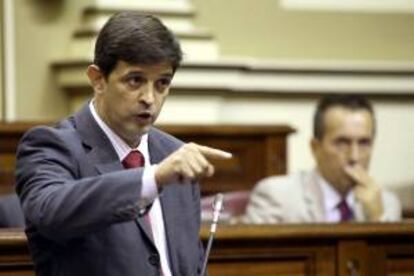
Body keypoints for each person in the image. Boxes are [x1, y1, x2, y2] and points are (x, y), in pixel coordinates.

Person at [15, 12, 231, 276]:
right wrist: (153, 177)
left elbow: (190, 265)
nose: (149, 98)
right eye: (135, 80)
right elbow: (49, 213)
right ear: (98, 79)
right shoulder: (52, 145)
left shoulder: (173, 154)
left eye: (162, 83)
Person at [242, 94, 401, 223]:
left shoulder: (386, 203)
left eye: (364, 143)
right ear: (315, 147)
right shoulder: (277, 197)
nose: (354, 156)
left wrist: (378, 220)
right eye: (342, 143)